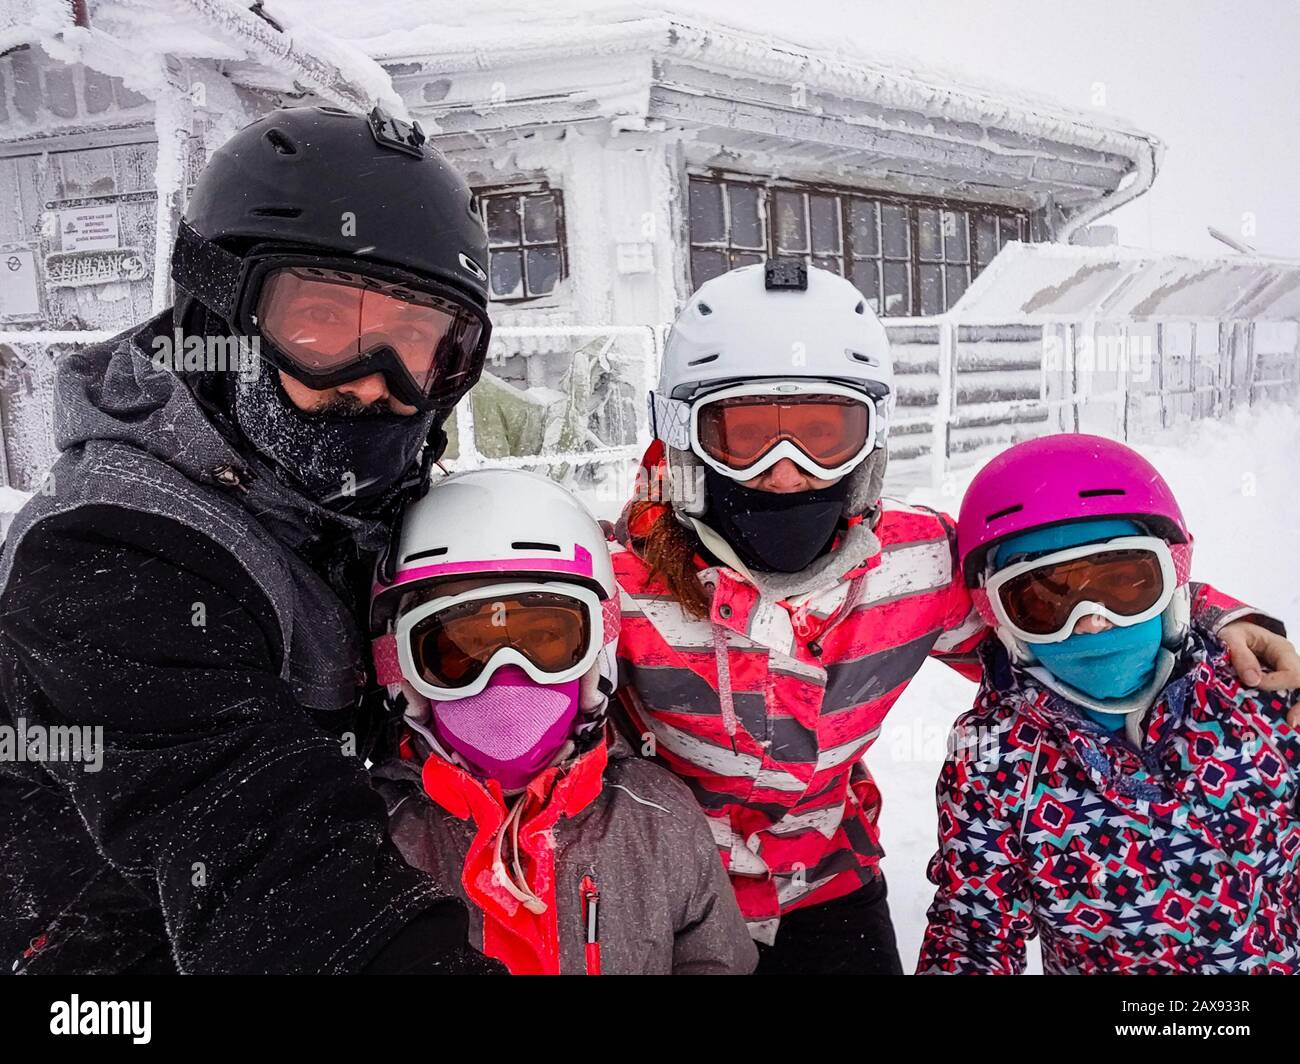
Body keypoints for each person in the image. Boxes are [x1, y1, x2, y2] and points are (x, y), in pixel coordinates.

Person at [609, 259, 1300, 974]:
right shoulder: (618, 582)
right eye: (746, 436)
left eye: (824, 434)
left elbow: (1060, 597)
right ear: (686, 440)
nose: (787, 472)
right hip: (671, 888)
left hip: (823, 875)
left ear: (870, 442)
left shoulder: (915, 564)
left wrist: (1221, 622)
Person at [0, 106, 502, 974]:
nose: (374, 383)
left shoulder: (337, 505)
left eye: (416, 343)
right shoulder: (108, 561)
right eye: (324, 325)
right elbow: (267, 858)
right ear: (218, 314)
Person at [919, 435, 1298, 974]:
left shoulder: (1260, 701)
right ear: (1000, 617)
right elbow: (973, 934)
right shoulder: (993, 760)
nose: (1094, 621)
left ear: (1172, 581)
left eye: (1124, 585)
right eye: (1043, 601)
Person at [368, 469, 757, 974]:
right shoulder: (374, 838)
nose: (505, 679)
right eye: (458, 650)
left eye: (546, 639)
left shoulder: (656, 816)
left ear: (598, 654)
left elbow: (715, 961)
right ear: (404, 675)